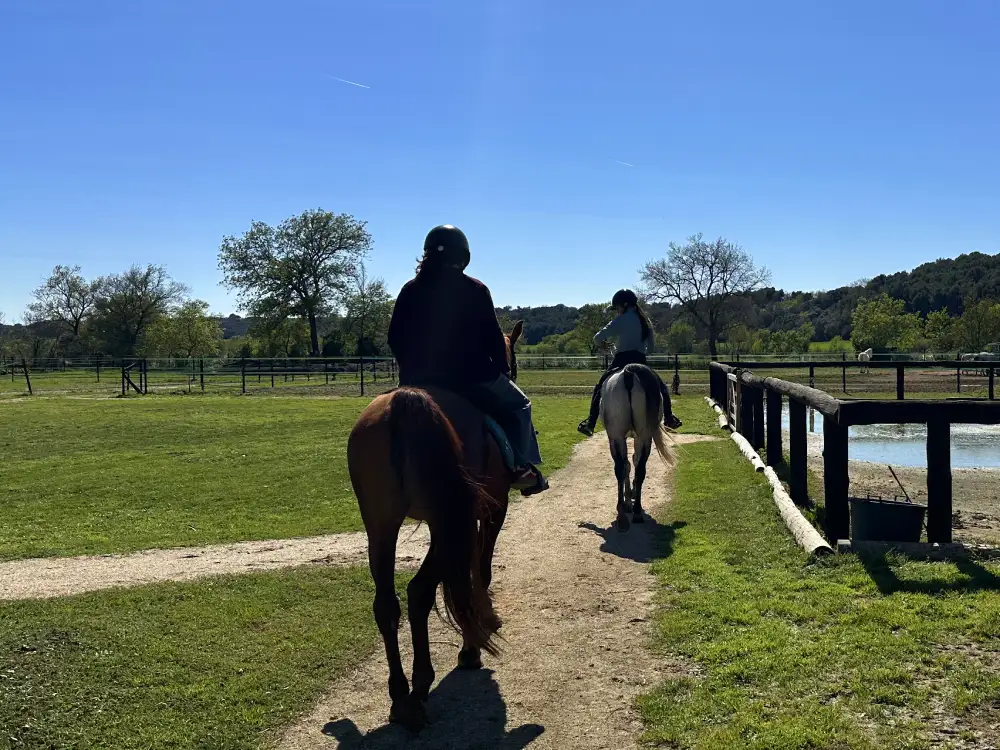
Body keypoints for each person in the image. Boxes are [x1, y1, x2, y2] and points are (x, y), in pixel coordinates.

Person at [387, 224, 548, 496]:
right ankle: (521, 467)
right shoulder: (475, 289)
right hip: (470, 378)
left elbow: (395, 338)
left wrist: (410, 374)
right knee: (520, 405)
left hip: (417, 381)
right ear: (463, 256)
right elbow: (493, 339)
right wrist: (502, 371)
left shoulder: (409, 290)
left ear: (426, 255)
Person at [577, 289, 682, 437]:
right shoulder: (645, 321)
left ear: (625, 306)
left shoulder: (621, 319)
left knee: (600, 387)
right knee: (662, 387)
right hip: (641, 360)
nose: (617, 311)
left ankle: (590, 423)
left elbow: (597, 337)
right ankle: (669, 418)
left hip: (621, 360)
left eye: (618, 308)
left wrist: (605, 345)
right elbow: (651, 348)